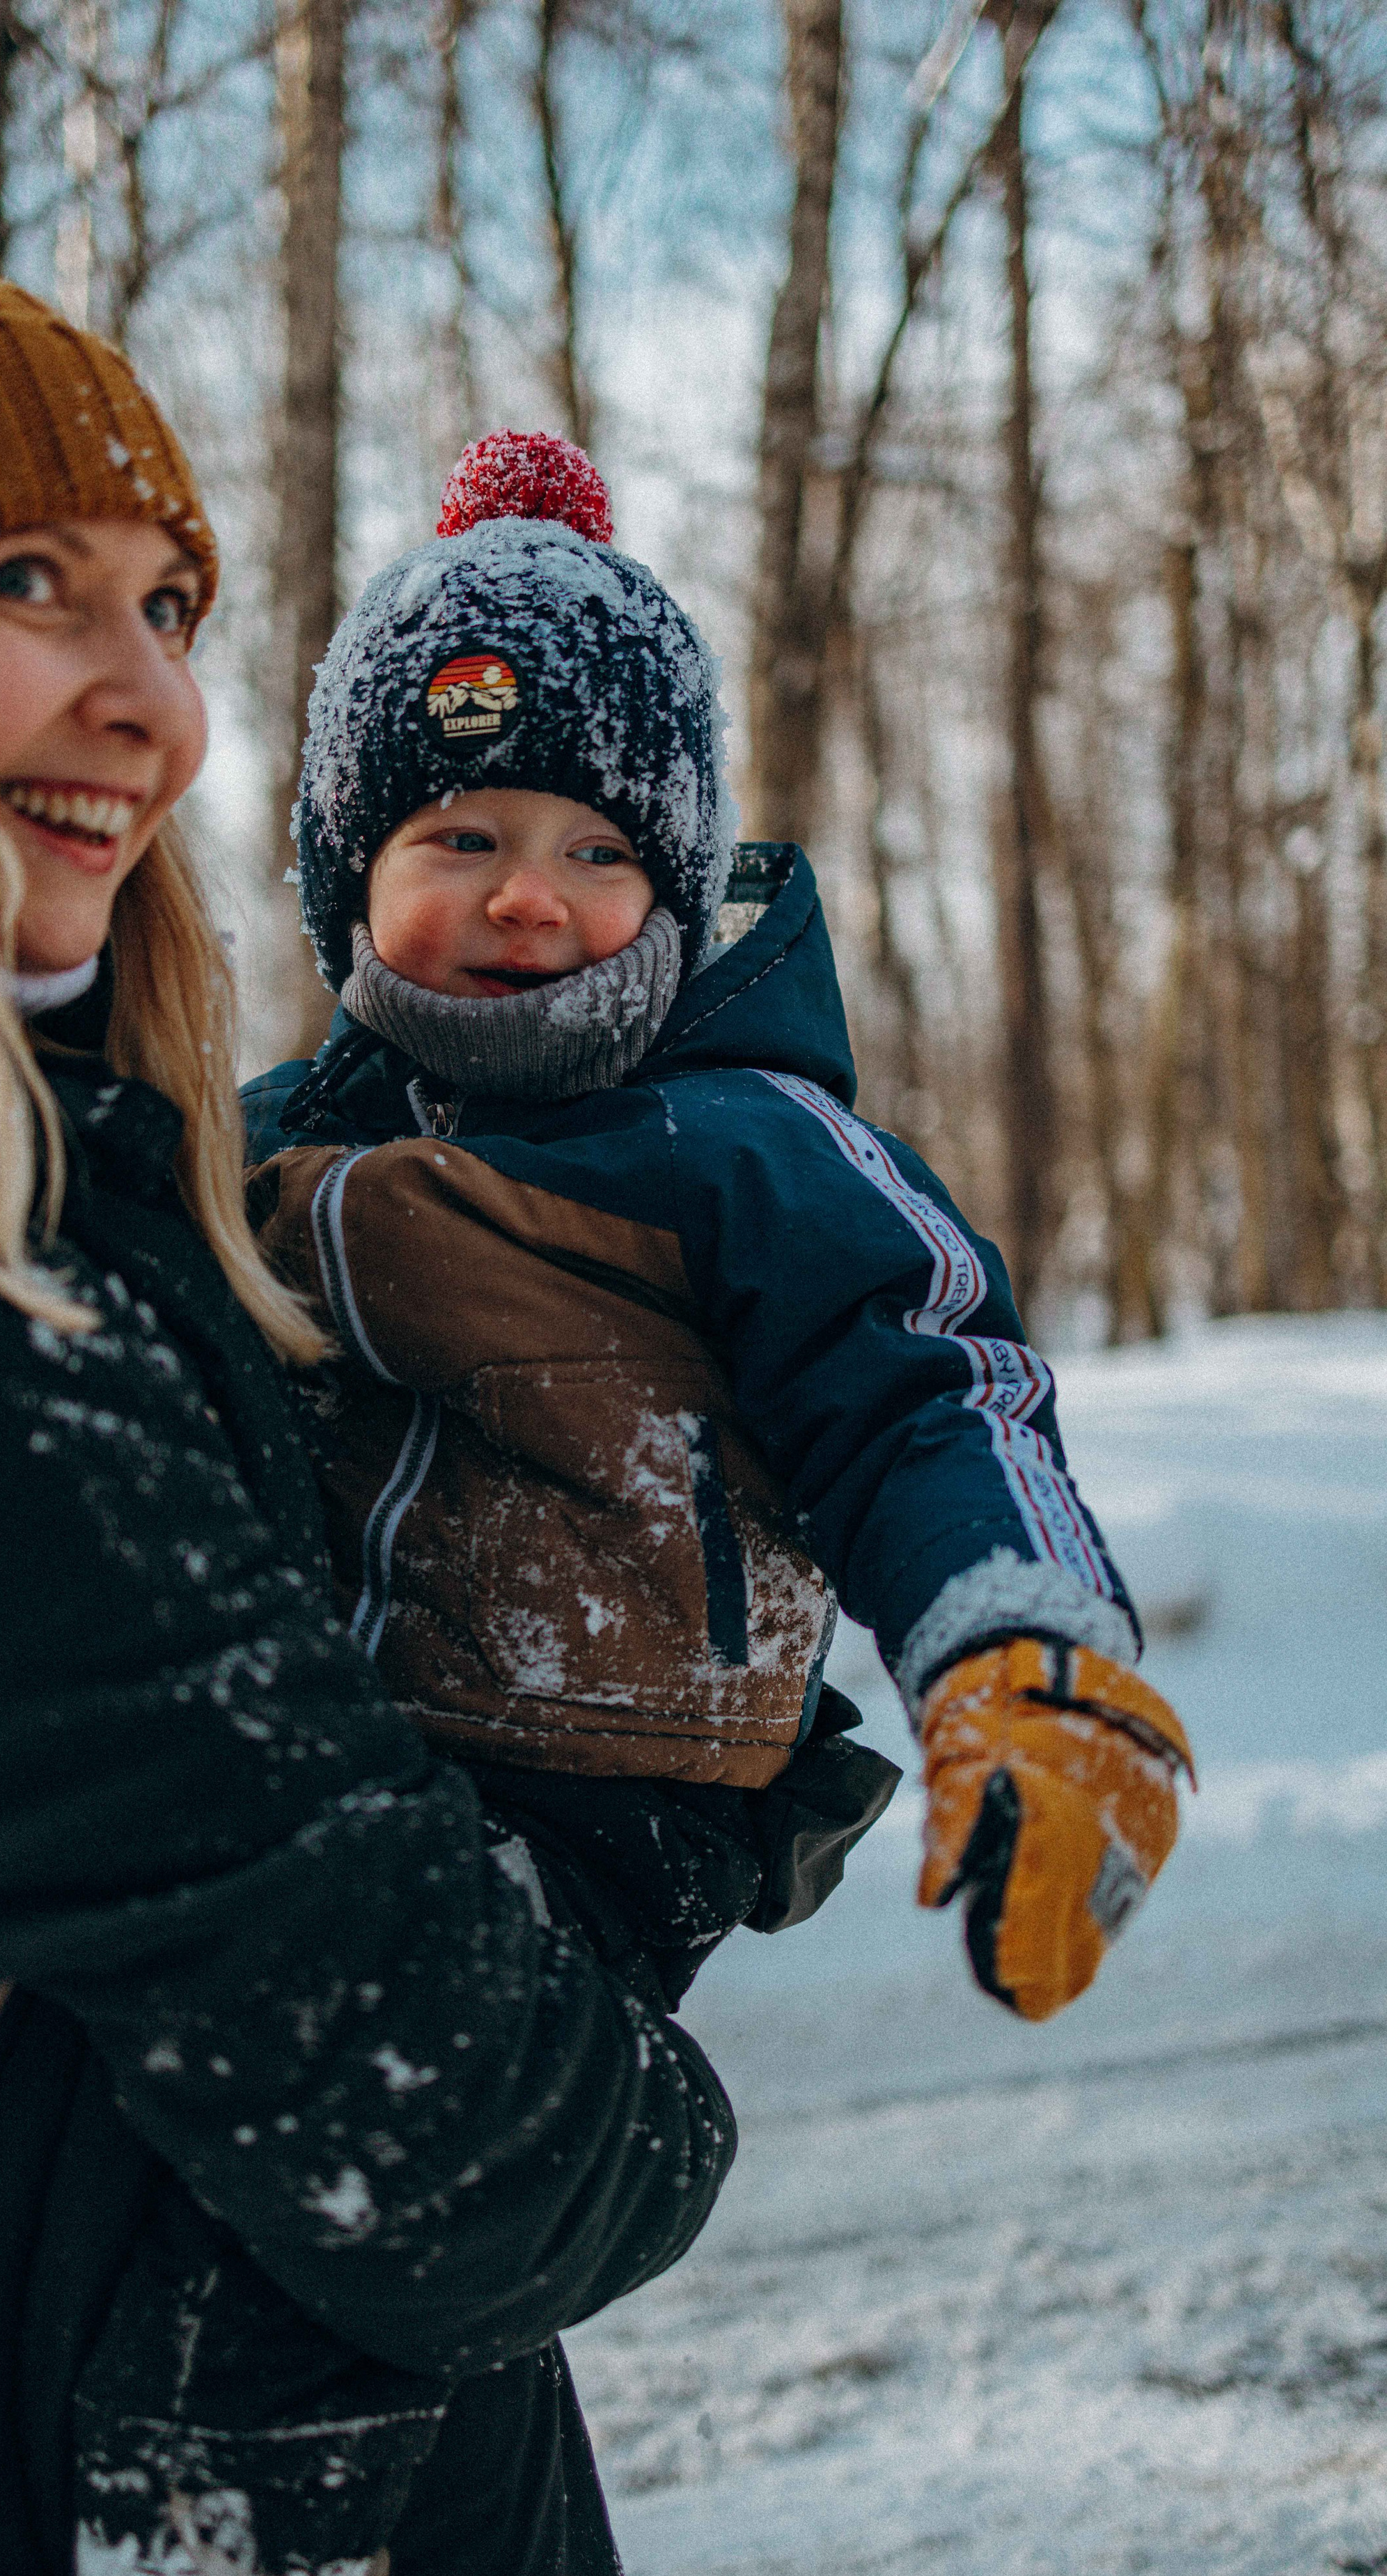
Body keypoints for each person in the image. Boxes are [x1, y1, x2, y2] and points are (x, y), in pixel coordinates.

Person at [0, 157, 740, 2576]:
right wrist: (650, 1867)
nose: (154, 700)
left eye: (168, 602)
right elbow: (501, 2136)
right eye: (28, 586)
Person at [244, 429, 1193, 2029]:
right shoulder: (276, 1138)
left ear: (675, 889)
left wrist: (1014, 1647)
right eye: (460, 837)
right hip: (309, 1750)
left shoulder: (742, 1142)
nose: (526, 897)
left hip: (603, 1796)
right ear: (350, 870)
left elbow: (924, 1388)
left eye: (596, 851)